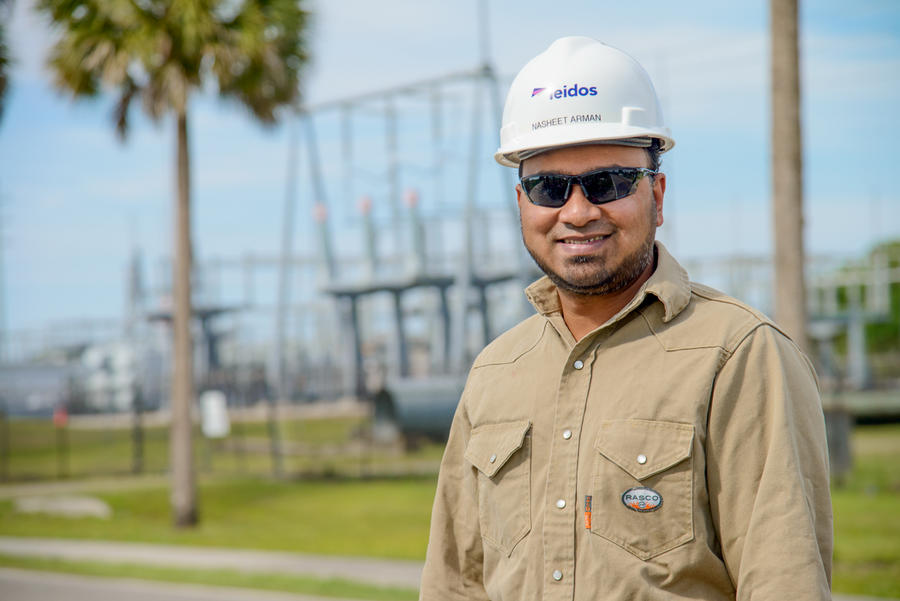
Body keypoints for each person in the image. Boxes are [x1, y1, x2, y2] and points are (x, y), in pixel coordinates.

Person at [419, 37, 832, 601]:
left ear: (657, 196)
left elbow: (785, 580)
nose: (578, 211)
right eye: (549, 187)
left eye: (608, 183)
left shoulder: (738, 355)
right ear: (522, 204)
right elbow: (454, 583)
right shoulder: (496, 370)